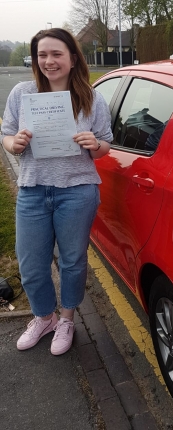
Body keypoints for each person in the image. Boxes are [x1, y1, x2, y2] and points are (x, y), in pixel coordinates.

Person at [1, 28, 113, 355]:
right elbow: (6, 134)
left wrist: (96, 145)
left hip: (77, 191)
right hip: (34, 190)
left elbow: (105, 143)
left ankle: (66, 319)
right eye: (42, 55)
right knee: (31, 264)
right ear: (36, 60)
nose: (49, 61)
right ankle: (43, 317)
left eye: (57, 54)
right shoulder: (23, 94)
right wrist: (14, 143)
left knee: (72, 261)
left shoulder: (92, 98)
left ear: (73, 58)